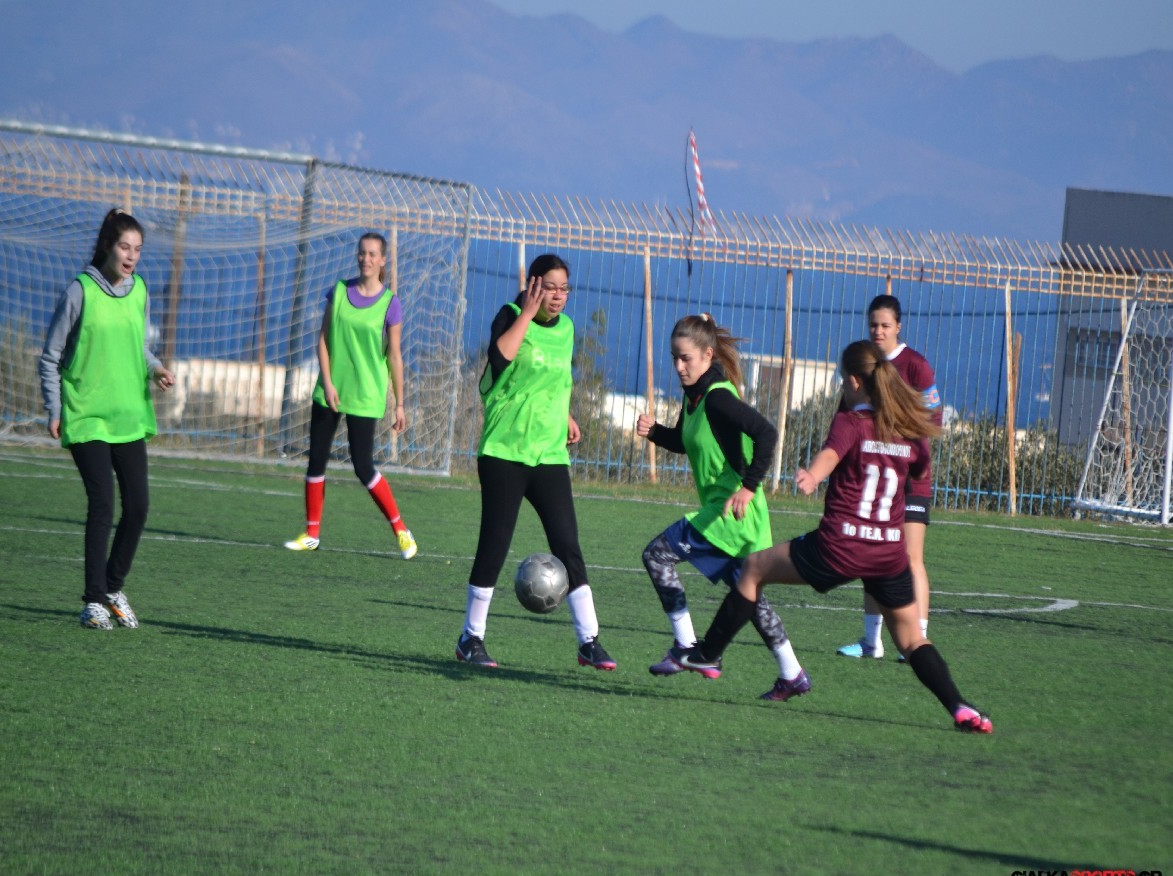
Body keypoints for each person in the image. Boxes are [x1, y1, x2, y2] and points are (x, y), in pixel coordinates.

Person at [677, 340, 992, 733]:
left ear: (856, 382)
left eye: (843, 380)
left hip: (840, 546)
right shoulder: (906, 431)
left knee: (753, 570)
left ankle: (708, 653)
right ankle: (961, 707)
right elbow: (919, 469)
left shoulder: (851, 421)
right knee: (912, 640)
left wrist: (813, 475)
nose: (842, 387)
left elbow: (831, 454)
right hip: (887, 554)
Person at [635, 313, 810, 701]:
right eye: (674, 357)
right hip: (735, 515)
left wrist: (748, 487)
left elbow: (767, 434)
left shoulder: (718, 397)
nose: (679, 367)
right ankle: (792, 673)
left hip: (732, 513)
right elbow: (687, 441)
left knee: (657, 555)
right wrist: (656, 432)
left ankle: (685, 646)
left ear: (707, 355)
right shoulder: (695, 396)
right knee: (747, 595)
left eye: (686, 358)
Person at [455, 253, 615, 670]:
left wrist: (566, 415)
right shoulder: (510, 315)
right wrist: (526, 313)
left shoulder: (568, 329)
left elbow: (557, 380)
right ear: (533, 285)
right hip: (504, 452)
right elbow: (500, 360)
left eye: (564, 289)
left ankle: (589, 641)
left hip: (549, 454)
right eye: (550, 288)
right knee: (494, 544)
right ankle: (471, 638)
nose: (558, 296)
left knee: (568, 544)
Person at [38, 208, 175, 630]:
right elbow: (50, 356)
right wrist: (54, 408)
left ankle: (113, 588)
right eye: (124, 247)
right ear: (107, 247)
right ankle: (93, 601)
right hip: (86, 415)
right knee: (102, 504)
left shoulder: (140, 290)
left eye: (138, 249)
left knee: (139, 507)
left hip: (128, 414)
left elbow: (138, 346)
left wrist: (155, 368)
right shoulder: (80, 290)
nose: (131, 256)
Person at [283, 232, 417, 560]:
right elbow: (323, 339)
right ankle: (311, 534)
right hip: (330, 390)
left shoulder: (391, 304)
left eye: (372, 254)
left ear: (382, 260)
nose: (365, 259)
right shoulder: (339, 291)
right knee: (316, 459)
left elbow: (394, 356)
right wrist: (328, 383)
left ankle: (401, 530)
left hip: (366, 394)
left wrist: (400, 404)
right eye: (362, 253)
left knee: (363, 466)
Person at [837, 295, 942, 661]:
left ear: (899, 326)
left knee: (911, 558)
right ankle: (872, 642)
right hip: (874, 480)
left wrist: (901, 445)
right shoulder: (864, 362)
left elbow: (932, 420)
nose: (878, 331)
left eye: (885, 325)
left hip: (909, 479)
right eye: (873, 325)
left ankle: (918, 640)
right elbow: (848, 415)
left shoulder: (916, 366)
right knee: (873, 557)